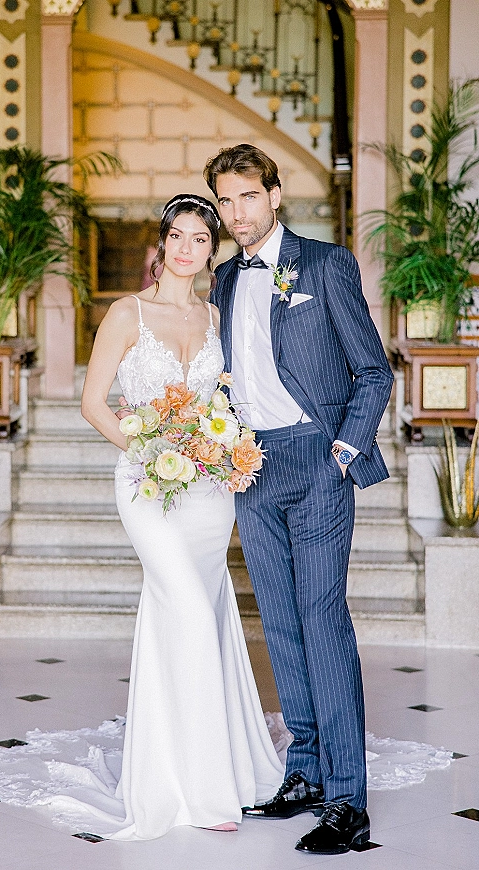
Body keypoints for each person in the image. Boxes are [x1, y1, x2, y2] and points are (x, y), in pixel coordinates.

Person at [204, 144, 394, 855]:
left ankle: (348, 800)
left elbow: (373, 371)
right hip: (252, 466)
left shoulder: (324, 264)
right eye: (224, 201)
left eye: (247, 196)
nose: (236, 213)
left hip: (318, 459)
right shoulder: (223, 280)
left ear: (276, 195)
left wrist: (342, 452)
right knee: (279, 626)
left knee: (323, 623)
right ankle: (306, 772)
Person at [78, 193, 283, 839]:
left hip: (208, 493)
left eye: (201, 238)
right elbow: (94, 403)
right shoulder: (126, 312)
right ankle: (198, 791)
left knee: (205, 613)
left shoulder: (216, 314)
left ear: (210, 250)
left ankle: (201, 765)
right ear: (161, 244)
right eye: (178, 236)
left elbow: (224, 400)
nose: (188, 247)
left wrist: (222, 449)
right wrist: (152, 449)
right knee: (190, 613)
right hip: (148, 484)